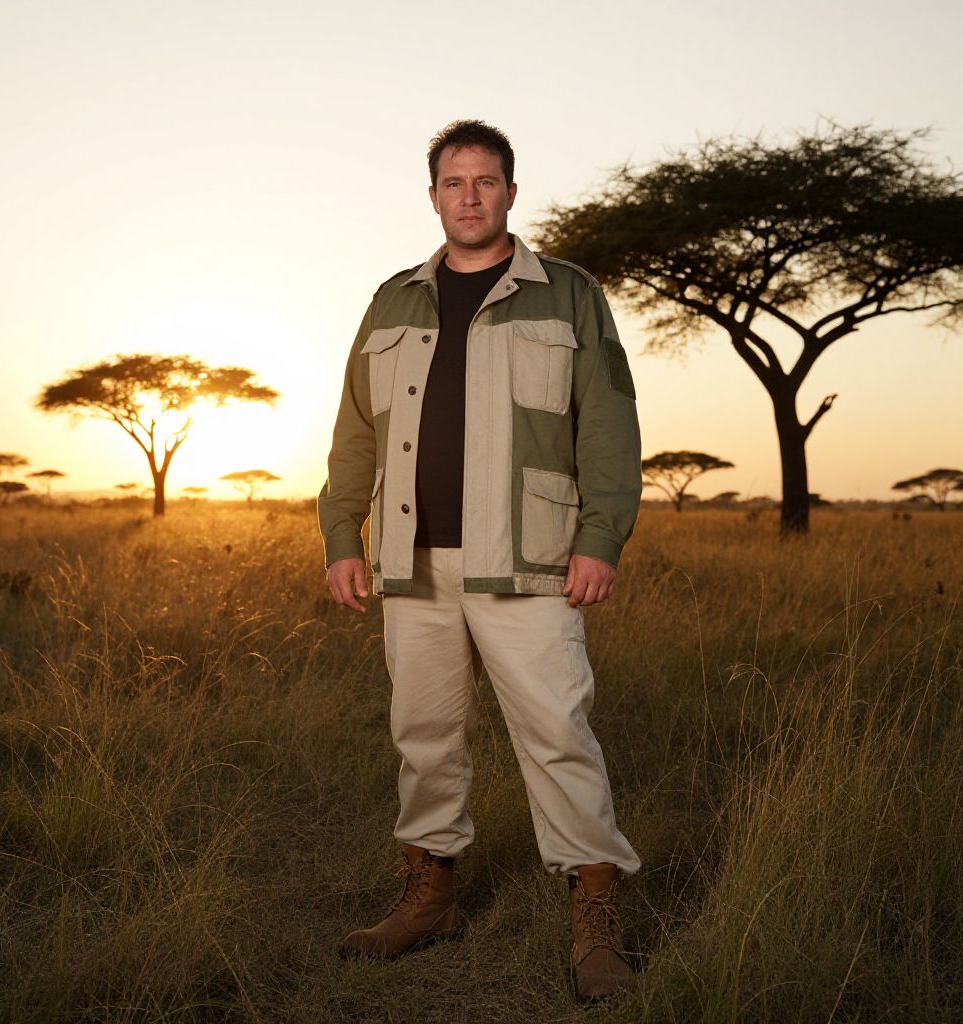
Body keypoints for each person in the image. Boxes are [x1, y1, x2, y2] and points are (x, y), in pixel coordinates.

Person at [317, 119, 643, 1003]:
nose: (470, 196)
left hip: (532, 562)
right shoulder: (391, 301)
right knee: (423, 737)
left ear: (510, 191)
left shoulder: (568, 295)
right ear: (433, 196)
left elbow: (609, 425)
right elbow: (355, 434)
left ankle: (595, 911)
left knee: (558, 735)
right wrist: (342, 536)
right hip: (410, 563)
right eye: (453, 182)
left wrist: (601, 538)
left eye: (486, 181)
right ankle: (430, 897)